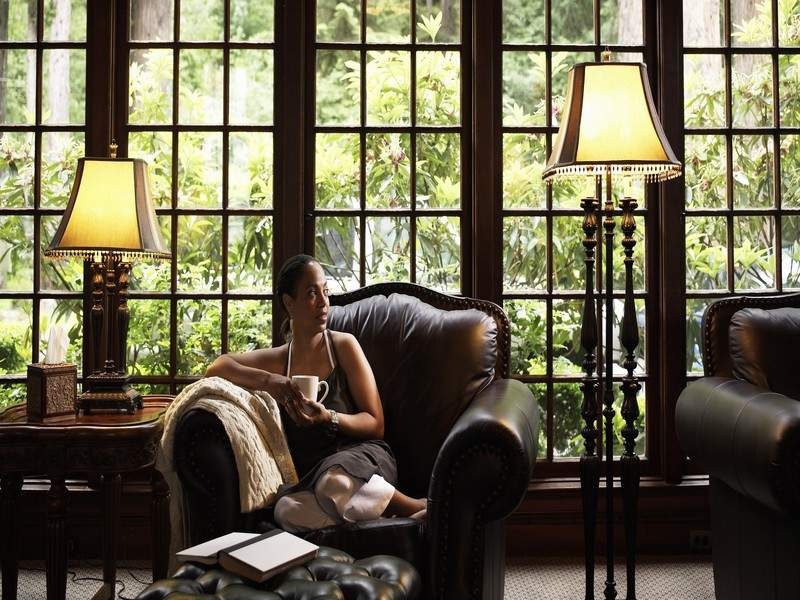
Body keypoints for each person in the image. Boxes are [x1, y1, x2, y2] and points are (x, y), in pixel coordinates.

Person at [205, 254, 426, 532]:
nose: (323, 303)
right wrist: (271, 381)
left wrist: (330, 417)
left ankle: (413, 507)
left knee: (334, 483)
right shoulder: (278, 360)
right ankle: (380, 520)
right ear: (289, 303)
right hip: (311, 476)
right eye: (312, 293)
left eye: (325, 292)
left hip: (361, 459)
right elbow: (217, 366)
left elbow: (376, 424)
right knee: (286, 510)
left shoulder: (344, 346)